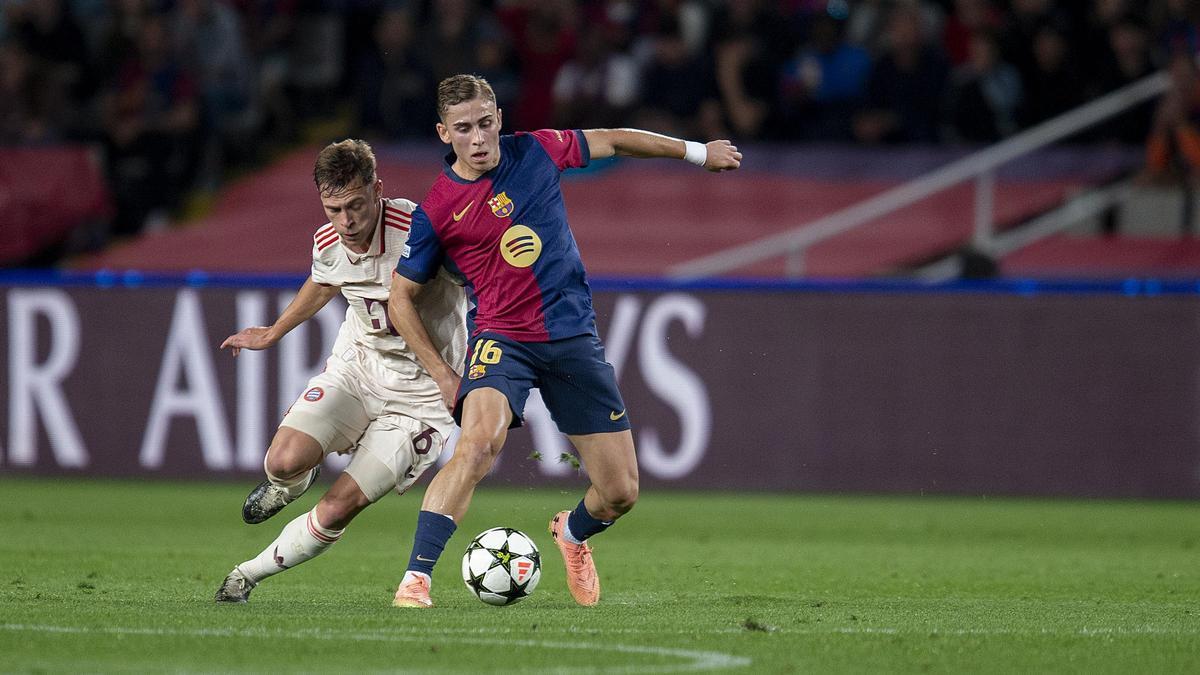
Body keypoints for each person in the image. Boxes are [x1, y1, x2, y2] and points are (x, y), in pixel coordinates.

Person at [387, 74, 741, 608]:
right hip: (501, 338)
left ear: (499, 119)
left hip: (572, 335)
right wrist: (443, 373)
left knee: (620, 493)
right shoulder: (437, 208)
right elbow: (400, 297)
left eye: (486, 123)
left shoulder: (537, 150)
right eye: (464, 129)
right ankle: (416, 580)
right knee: (479, 445)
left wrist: (697, 152)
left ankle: (572, 535)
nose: (479, 138)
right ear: (444, 133)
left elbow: (615, 138)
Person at [213, 139, 467, 603]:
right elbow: (325, 279)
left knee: (337, 508)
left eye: (355, 205)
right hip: (357, 370)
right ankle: (296, 481)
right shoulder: (329, 239)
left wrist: (456, 374)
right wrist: (274, 332)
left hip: (422, 396)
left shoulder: (421, 229)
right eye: (333, 209)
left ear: (378, 190)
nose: (346, 222)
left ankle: (245, 576)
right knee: (282, 462)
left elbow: (478, 280)